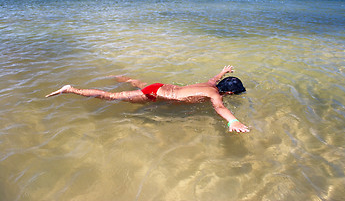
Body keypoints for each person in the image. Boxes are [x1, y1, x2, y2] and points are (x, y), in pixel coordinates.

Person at [46, 65, 250, 133]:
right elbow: (220, 108)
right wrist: (233, 120)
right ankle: (71, 89)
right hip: (155, 95)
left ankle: (126, 79)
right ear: (229, 93)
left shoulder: (211, 85)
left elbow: (213, 79)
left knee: (139, 85)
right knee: (110, 97)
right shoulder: (216, 94)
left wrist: (223, 72)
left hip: (161, 86)